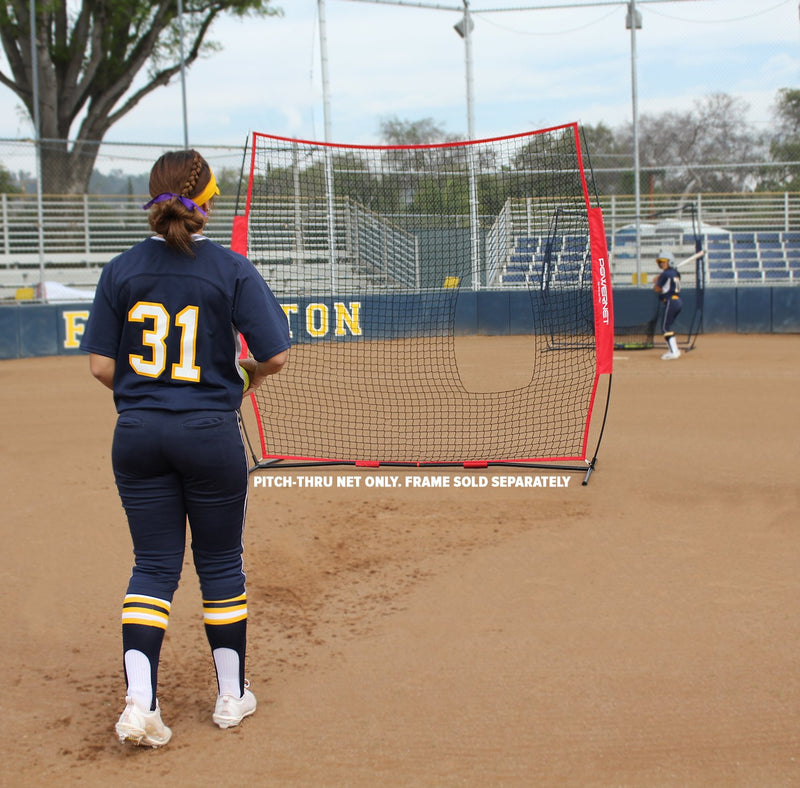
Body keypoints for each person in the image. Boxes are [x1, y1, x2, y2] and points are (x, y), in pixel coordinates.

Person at [80, 150, 290, 748]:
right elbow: (275, 354)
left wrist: (150, 396)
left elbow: (100, 366)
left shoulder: (120, 270)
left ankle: (140, 703)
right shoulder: (230, 269)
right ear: (206, 203)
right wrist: (239, 379)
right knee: (220, 563)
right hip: (208, 434)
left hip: (139, 435)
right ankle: (231, 697)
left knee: (152, 566)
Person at [653, 249, 682, 360]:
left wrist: (656, 281)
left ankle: (674, 352)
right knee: (667, 326)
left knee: (665, 327)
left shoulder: (666, 274)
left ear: (670, 262)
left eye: (664, 262)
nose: (661, 264)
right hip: (677, 301)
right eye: (660, 262)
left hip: (671, 301)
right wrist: (660, 277)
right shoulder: (674, 273)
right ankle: (674, 350)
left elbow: (657, 289)